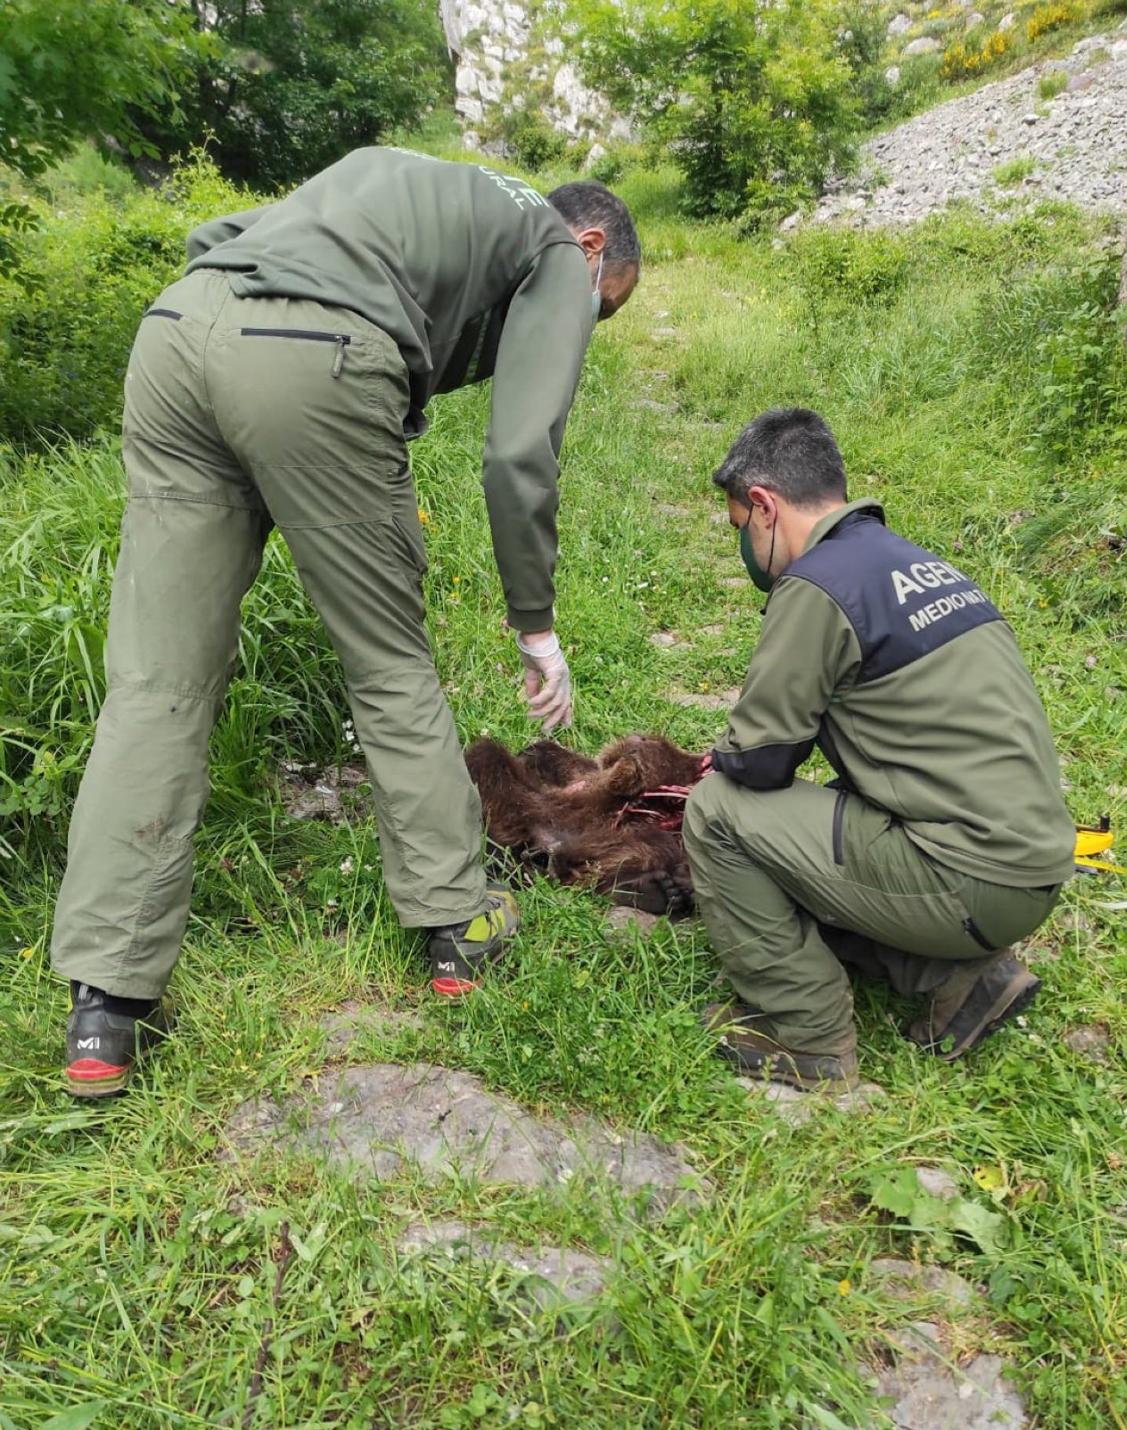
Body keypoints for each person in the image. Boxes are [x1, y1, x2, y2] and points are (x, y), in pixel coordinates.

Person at [53, 147, 640, 1098]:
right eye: (601, 308)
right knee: (389, 663)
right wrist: (536, 625)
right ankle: (459, 926)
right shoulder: (551, 247)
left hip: (173, 333)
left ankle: (104, 1007)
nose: (587, 325)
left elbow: (230, 244)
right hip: (309, 360)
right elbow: (519, 455)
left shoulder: (419, 190)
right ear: (590, 246)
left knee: (155, 684)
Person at [684, 407, 1075, 1091]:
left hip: (967, 877)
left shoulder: (816, 584)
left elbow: (758, 759)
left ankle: (804, 1030)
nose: (741, 547)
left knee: (718, 812)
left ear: (764, 507)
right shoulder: (919, 566)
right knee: (827, 816)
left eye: (737, 527)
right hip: (1032, 866)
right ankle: (961, 978)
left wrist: (719, 761)